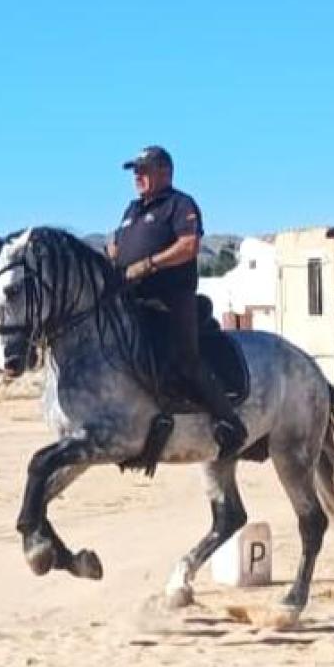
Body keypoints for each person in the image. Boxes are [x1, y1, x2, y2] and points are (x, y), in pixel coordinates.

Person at [109, 145, 247, 458]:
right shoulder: (132, 210)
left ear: (165, 172)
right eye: (135, 172)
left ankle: (229, 422)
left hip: (172, 299)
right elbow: (116, 246)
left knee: (185, 358)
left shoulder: (179, 204)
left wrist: (149, 264)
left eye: (143, 170)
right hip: (133, 300)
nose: (137, 177)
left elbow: (189, 245)